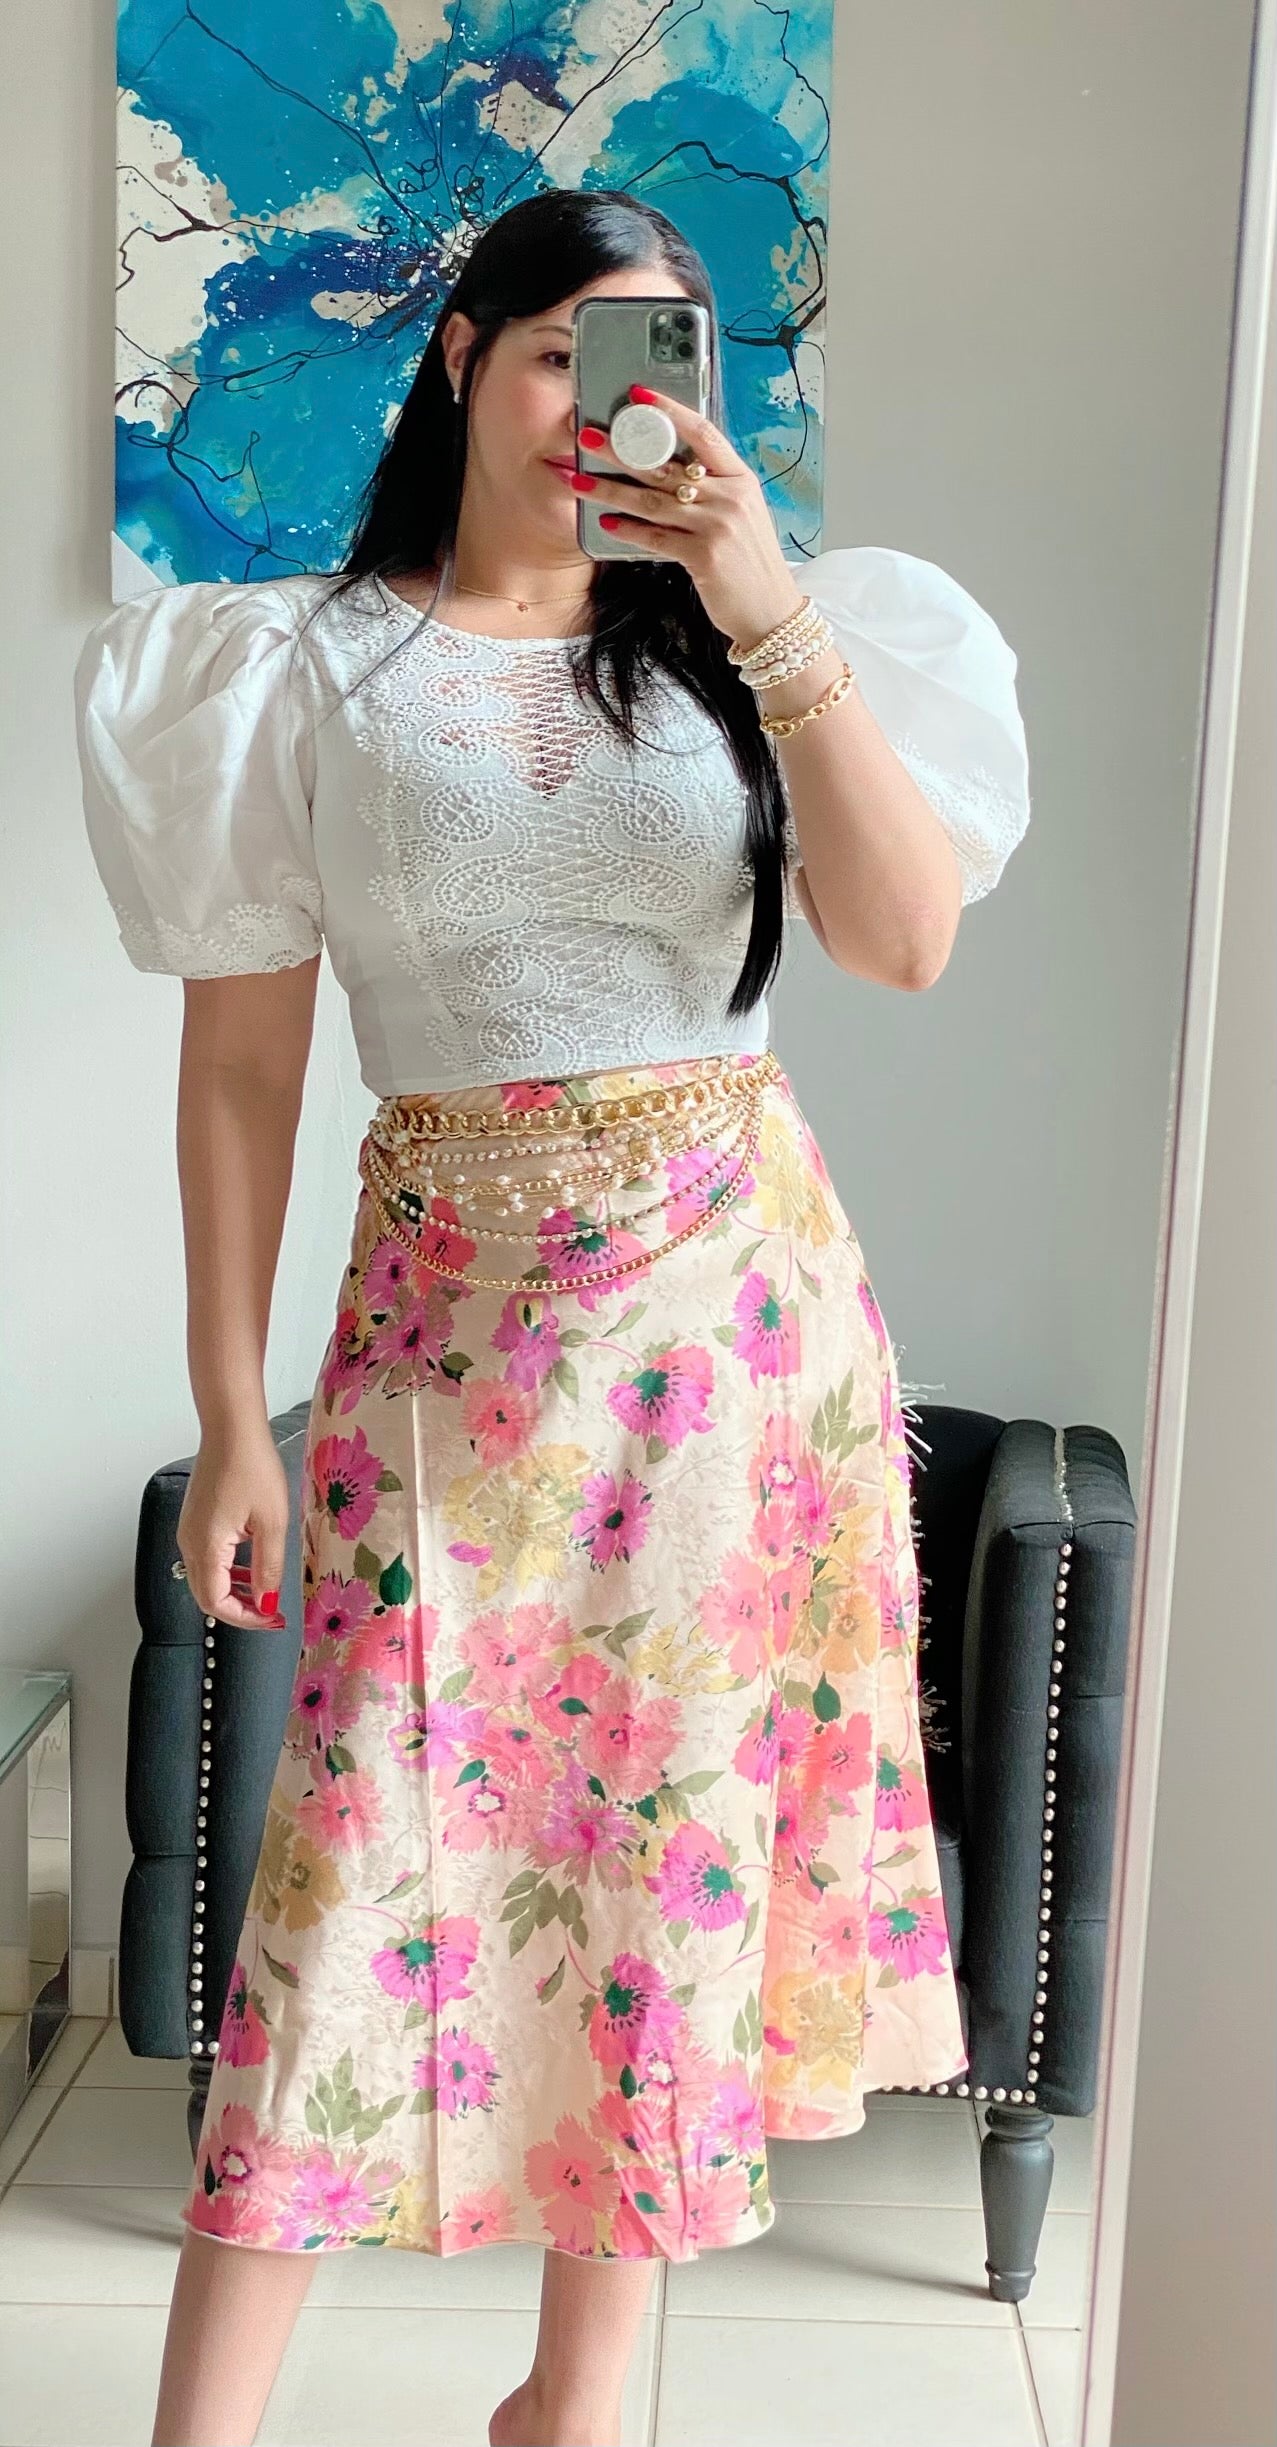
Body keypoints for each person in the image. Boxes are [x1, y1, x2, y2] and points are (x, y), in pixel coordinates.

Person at [74, 189, 1030, 2447]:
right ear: (460, 356)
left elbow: (904, 942)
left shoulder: (764, 642)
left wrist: (760, 599)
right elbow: (242, 1067)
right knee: (351, 1879)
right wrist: (231, 1412)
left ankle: (571, 2414)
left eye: (661, 361)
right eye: (560, 354)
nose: (609, 410)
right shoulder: (292, 667)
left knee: (668, 1863)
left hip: (735, 1341)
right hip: (450, 1345)